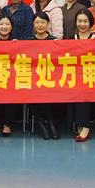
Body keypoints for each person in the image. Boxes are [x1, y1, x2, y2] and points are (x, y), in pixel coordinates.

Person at [26, 12, 60, 140]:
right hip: (32, 79)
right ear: (33, 24)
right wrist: (14, 44)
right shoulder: (28, 41)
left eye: (43, 22)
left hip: (51, 79)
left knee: (46, 93)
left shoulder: (54, 40)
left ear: (48, 24)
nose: (40, 25)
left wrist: (60, 45)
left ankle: (51, 122)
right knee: (30, 94)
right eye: (37, 22)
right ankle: (41, 123)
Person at [71, 9, 95, 142]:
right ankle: (79, 124)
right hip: (73, 76)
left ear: (90, 22)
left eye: (85, 21)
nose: (82, 24)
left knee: (83, 93)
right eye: (80, 21)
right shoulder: (70, 38)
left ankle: (85, 126)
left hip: (92, 76)